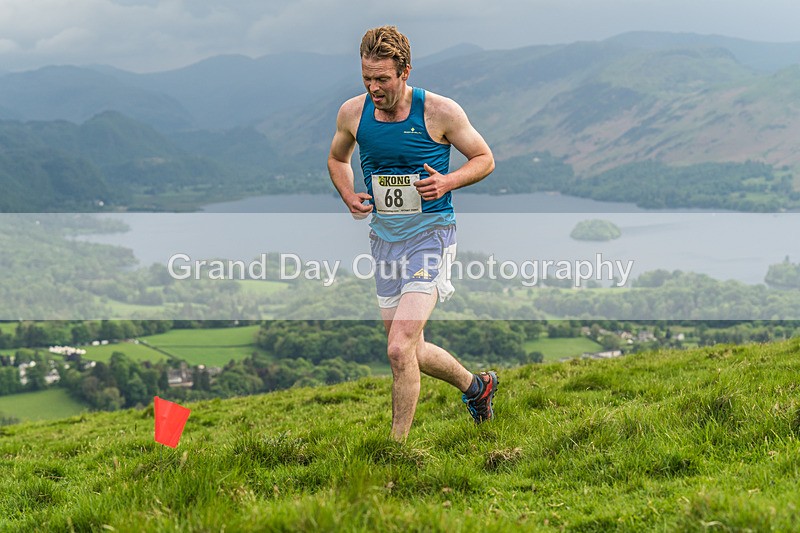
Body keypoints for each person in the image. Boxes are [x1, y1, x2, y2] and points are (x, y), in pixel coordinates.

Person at [328, 25, 497, 441]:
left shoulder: (439, 112)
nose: (373, 87)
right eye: (367, 77)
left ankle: (396, 450)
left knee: (398, 348)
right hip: (384, 241)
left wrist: (447, 182)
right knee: (411, 349)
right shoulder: (354, 112)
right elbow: (337, 158)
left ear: (405, 71)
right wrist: (349, 194)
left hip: (432, 236)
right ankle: (478, 388)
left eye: (382, 78)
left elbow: (484, 158)